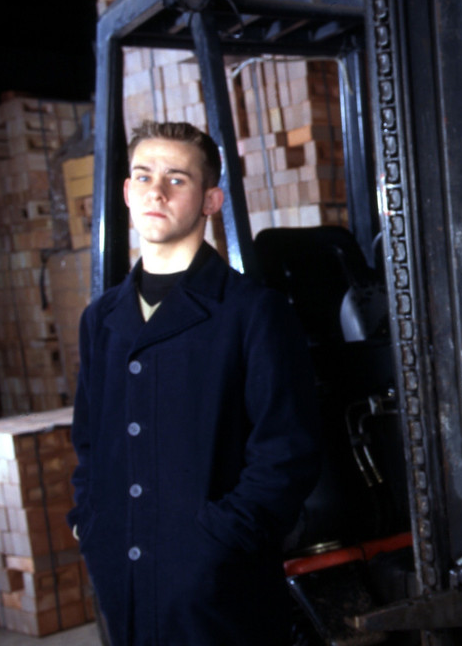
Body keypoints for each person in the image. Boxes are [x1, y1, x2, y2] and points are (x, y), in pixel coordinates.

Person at [67, 121, 320, 644]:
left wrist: (219, 540)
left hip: (220, 584)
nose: (156, 191)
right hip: (122, 574)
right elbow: (90, 440)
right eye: (144, 176)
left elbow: (287, 452)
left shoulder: (252, 312)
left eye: (176, 179)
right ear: (126, 193)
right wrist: (89, 523)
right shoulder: (101, 319)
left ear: (210, 200)